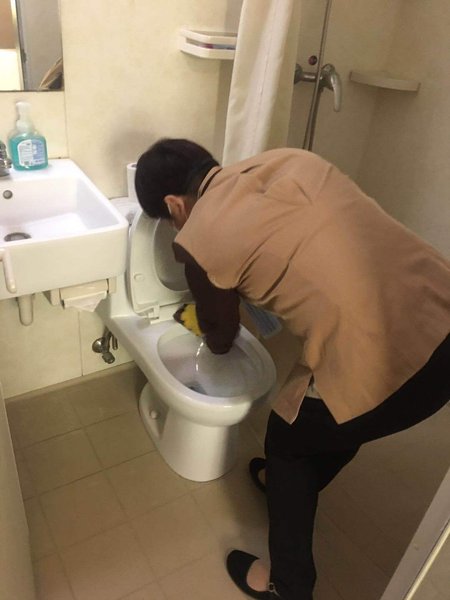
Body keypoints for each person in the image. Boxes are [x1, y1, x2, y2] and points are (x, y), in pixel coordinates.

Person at [135, 138, 450, 600]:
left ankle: (288, 584)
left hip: (384, 363)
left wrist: (206, 312)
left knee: (287, 441)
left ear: (173, 205)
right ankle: (292, 489)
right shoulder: (291, 159)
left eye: (169, 222)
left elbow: (221, 338)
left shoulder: (199, 240)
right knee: (340, 420)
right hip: (441, 318)